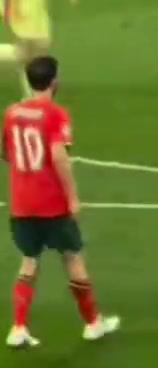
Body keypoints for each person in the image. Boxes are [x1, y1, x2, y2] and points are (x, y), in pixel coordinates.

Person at [1, 56, 120, 350]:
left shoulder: (12, 113)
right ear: (54, 81)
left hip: (22, 203)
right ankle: (93, 323)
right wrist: (73, 197)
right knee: (73, 258)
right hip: (52, 204)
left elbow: (5, 152)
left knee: (29, 261)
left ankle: (18, 327)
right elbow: (58, 156)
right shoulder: (56, 115)